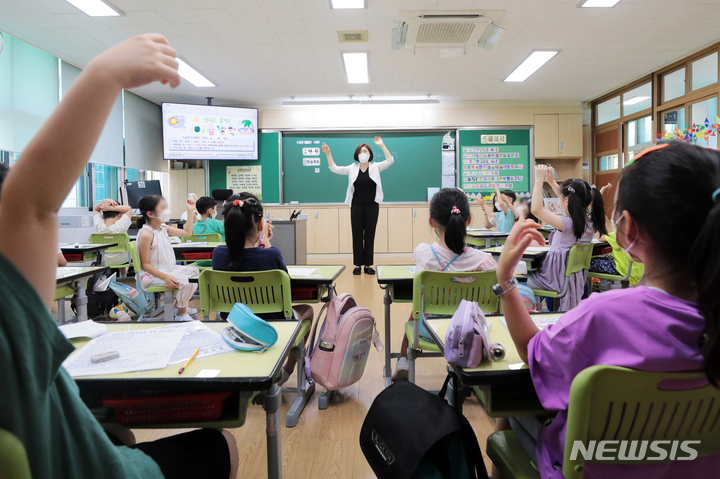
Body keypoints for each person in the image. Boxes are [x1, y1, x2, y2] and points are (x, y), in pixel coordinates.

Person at [0, 34, 238, 479]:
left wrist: (183, 220)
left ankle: (184, 311)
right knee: (217, 442)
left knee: (119, 433)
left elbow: (31, 204)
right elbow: (30, 203)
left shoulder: (162, 227)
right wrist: (105, 75)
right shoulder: (11, 328)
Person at [492, 141, 720, 479]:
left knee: (506, 413)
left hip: (590, 469)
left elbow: (532, 351)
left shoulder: (604, 315)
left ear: (628, 228)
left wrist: (506, 281)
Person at [393, 188, 497, 382]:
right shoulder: (484, 261)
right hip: (471, 332)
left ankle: (402, 360)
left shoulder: (423, 253)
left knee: (418, 307)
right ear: (468, 220)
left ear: (431, 221)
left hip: (428, 330)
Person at [212, 192, 313, 385]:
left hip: (235, 323)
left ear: (227, 225)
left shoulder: (218, 254)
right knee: (308, 310)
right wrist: (266, 241)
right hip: (273, 324)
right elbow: (286, 292)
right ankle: (286, 372)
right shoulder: (271, 254)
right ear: (260, 226)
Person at [528, 166, 606, 311]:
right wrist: (551, 182)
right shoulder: (589, 223)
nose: (558, 201)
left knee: (519, 278)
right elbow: (570, 196)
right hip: (572, 279)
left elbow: (536, 210)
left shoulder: (567, 224)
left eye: (560, 198)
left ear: (567, 200)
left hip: (554, 277)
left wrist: (539, 180)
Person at [323, 137, 394, 276]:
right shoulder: (352, 168)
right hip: (356, 206)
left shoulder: (375, 167)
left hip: (372, 206)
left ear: (370, 154)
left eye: (366, 151)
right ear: (357, 154)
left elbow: (390, 160)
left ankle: (368, 265)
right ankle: (357, 265)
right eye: (361, 151)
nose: (363, 153)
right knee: (357, 235)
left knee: (369, 235)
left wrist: (382, 145)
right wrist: (328, 153)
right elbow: (334, 168)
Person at [136, 194, 199, 322]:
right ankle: (181, 312)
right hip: (153, 276)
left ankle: (180, 305)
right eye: (163, 208)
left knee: (195, 273)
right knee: (188, 282)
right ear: (150, 214)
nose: (167, 211)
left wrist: (190, 211)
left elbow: (187, 233)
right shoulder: (146, 234)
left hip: (169, 270)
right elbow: (145, 265)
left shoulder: (163, 228)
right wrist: (164, 276)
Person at [589, 183, 645, 285]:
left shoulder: (621, 226)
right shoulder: (637, 223)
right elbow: (604, 219)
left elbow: (600, 237)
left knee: (585, 263)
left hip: (624, 268)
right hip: (637, 270)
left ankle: (582, 297)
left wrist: (590, 220)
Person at [93, 198, 132, 268]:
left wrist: (106, 201)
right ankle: (123, 275)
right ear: (119, 215)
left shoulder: (99, 226)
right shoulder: (121, 225)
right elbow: (128, 209)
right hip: (122, 260)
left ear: (103, 215)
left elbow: (95, 209)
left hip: (103, 260)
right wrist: (110, 208)